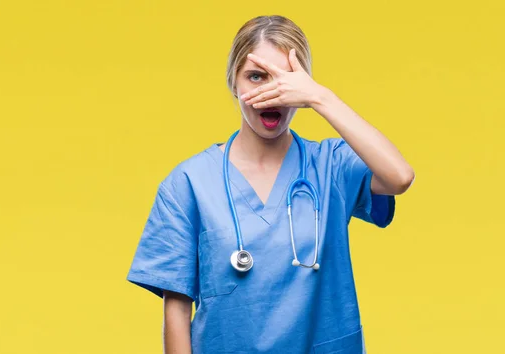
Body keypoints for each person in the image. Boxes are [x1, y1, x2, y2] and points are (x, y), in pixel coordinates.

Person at [126, 15, 414, 354]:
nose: (271, 93)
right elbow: (176, 308)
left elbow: (399, 176)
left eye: (286, 80)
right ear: (233, 83)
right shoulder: (188, 184)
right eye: (256, 77)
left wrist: (323, 98)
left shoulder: (332, 165)